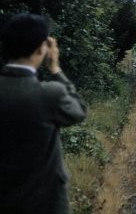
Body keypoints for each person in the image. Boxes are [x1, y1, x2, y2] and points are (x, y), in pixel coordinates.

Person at [0, 13, 87, 214]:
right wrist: (55, 69)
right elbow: (79, 110)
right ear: (42, 48)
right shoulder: (49, 94)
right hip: (46, 204)